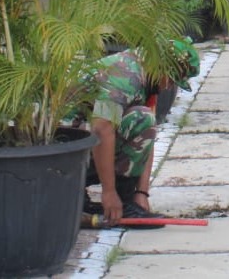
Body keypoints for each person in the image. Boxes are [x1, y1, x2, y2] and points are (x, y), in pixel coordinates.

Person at [84, 38, 201, 227]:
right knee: (141, 117)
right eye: (171, 80)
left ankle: (125, 201)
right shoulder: (125, 75)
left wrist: (142, 193)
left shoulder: (143, 79)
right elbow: (102, 129)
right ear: (161, 68)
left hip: (79, 142)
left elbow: (146, 137)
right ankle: (114, 201)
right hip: (61, 146)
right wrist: (109, 192)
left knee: (143, 119)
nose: (170, 87)